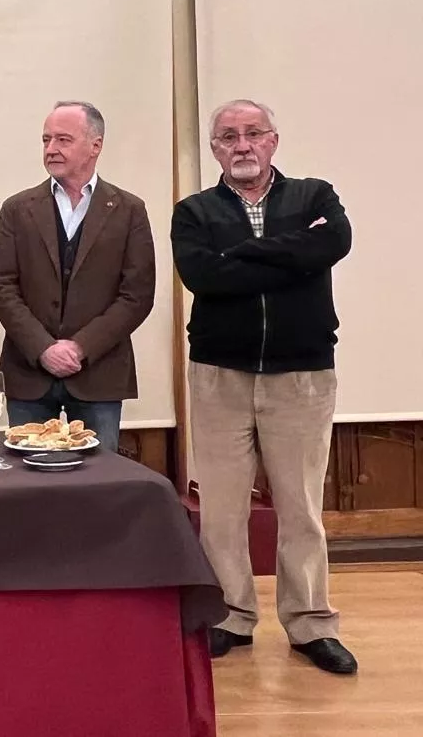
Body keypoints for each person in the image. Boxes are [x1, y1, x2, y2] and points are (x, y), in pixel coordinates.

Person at [173, 99, 356, 675]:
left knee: (301, 507)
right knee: (222, 509)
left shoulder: (315, 197)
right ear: (215, 149)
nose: (242, 145)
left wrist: (244, 255)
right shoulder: (194, 212)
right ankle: (230, 616)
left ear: (273, 140)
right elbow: (203, 276)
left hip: (301, 375)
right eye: (228, 137)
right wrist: (290, 258)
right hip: (219, 377)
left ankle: (309, 624)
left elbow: (331, 245)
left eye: (253, 133)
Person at [0, 102, 156, 447]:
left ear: (96, 145)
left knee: (98, 484)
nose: (51, 149)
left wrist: (80, 347)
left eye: (63, 139)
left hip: (99, 372)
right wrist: (43, 348)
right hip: (29, 372)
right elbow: (2, 284)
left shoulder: (129, 210)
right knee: (27, 480)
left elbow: (136, 295)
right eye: (46, 139)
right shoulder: (18, 208)